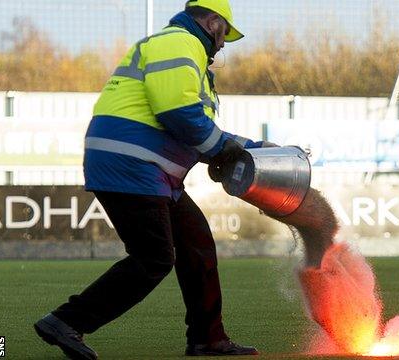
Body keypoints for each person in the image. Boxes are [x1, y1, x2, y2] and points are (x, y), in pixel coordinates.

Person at [34, 1, 268, 358]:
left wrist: (250, 149)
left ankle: (208, 339)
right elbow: (179, 113)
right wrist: (223, 149)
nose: (223, 45)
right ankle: (67, 321)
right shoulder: (180, 42)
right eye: (225, 34)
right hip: (133, 165)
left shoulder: (179, 49)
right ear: (212, 21)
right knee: (154, 258)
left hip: (144, 169)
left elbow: (195, 126)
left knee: (196, 244)